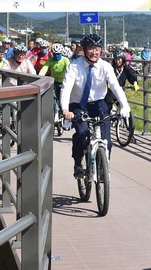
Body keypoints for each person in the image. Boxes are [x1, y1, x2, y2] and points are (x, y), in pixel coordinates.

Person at [60, 33, 131, 179]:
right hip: (79, 104)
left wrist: (125, 106)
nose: (94, 52)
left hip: (99, 104)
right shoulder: (74, 66)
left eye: (97, 49)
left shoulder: (105, 66)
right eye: (91, 48)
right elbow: (66, 88)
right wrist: (65, 110)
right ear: (84, 49)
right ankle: (78, 163)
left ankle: (102, 168)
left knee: (107, 141)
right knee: (82, 132)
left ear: (101, 50)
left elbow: (115, 86)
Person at [41, 43, 70, 122]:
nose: (57, 56)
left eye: (58, 54)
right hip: (54, 82)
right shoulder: (50, 60)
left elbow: (69, 71)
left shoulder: (65, 60)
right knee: (53, 98)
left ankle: (65, 116)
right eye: (55, 54)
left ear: (61, 53)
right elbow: (44, 70)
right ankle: (53, 112)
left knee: (63, 98)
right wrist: (39, 78)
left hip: (63, 82)